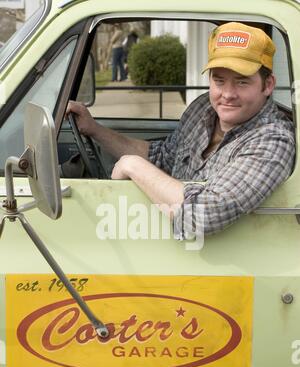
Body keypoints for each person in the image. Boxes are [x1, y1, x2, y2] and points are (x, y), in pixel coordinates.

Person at [67, 22, 295, 238]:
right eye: (219, 80)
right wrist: (95, 129)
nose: (227, 94)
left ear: (268, 85)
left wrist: (132, 165)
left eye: (242, 82)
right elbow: (163, 156)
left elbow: (202, 217)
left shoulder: (272, 141)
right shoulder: (204, 107)